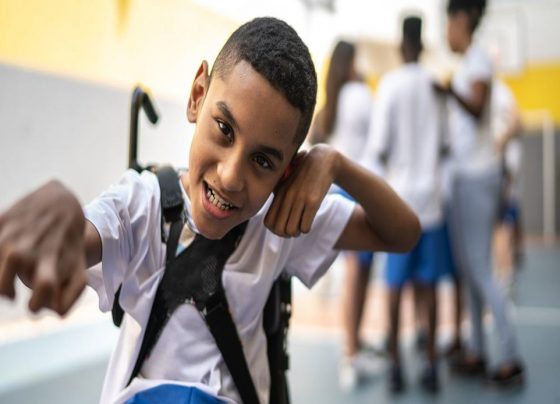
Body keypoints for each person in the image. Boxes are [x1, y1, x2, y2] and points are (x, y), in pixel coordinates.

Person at [0, 17, 420, 404]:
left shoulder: (280, 223)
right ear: (197, 95)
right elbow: (67, 247)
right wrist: (62, 220)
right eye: (224, 129)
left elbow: (403, 233)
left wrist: (336, 164)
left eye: (262, 161)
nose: (231, 176)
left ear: (287, 172)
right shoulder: (142, 206)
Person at [436, 0, 525, 387]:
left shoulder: (479, 61)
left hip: (477, 176)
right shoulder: (466, 64)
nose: (445, 33)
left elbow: (476, 107)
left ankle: (510, 356)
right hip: (463, 175)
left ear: (461, 21)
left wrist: (447, 91)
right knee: (469, 268)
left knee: (481, 267)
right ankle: (477, 349)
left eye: (447, 25)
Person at [362, 15, 447, 394]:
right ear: (423, 44)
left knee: (394, 287)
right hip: (432, 203)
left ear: (401, 45)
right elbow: (446, 144)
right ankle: (431, 363)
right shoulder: (436, 85)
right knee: (429, 287)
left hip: (399, 204)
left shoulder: (390, 86)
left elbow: (378, 148)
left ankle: (395, 364)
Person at [309, 40, 378, 391]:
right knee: (357, 274)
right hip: (357, 190)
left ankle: (353, 344)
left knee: (355, 274)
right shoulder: (360, 95)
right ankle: (350, 351)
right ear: (350, 63)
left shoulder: (329, 104)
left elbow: (313, 142)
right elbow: (379, 140)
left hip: (333, 192)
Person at [491, 78, 524, 294]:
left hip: (502, 170)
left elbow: (518, 122)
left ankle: (505, 274)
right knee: (506, 221)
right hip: (503, 171)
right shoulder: (501, 92)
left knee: (500, 224)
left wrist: (500, 142)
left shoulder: (500, 92)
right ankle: (509, 266)